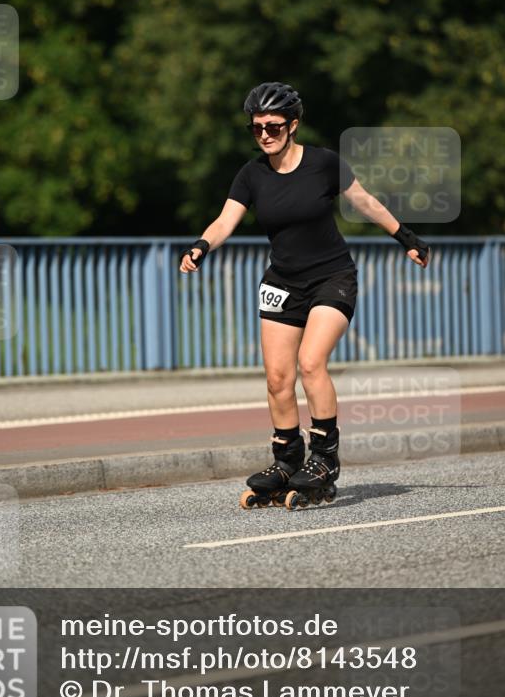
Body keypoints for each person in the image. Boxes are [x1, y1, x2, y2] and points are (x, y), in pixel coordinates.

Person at [179, 82, 430, 510]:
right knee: (278, 378)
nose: (264, 134)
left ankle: (325, 459)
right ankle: (286, 461)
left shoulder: (323, 164)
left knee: (311, 362)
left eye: (273, 126)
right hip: (282, 282)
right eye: (257, 127)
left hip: (333, 276)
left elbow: (365, 202)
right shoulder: (251, 174)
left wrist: (406, 238)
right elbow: (225, 221)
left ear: (293, 125)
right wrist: (201, 246)